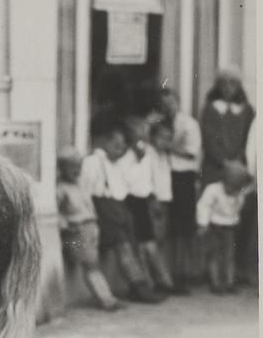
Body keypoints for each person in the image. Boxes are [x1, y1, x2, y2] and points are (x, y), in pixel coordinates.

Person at [78, 122, 165, 304]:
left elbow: (129, 184)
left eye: (122, 147)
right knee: (123, 247)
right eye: (116, 145)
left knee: (131, 246)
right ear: (106, 142)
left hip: (120, 208)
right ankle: (138, 287)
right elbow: (84, 191)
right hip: (104, 208)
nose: (120, 150)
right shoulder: (93, 162)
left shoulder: (116, 164)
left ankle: (140, 285)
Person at [56, 147, 123, 311]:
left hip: (90, 228)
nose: (76, 171)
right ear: (63, 168)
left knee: (94, 263)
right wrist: (66, 225)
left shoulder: (80, 186)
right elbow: (58, 213)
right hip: (76, 232)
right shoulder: (61, 189)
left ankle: (107, 297)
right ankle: (106, 300)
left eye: (78, 167)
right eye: (72, 167)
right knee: (91, 264)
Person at [119, 116, 176, 294]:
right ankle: (148, 284)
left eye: (144, 133)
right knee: (140, 243)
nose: (142, 137)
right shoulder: (126, 157)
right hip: (133, 200)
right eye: (138, 133)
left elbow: (148, 178)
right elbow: (127, 180)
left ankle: (162, 282)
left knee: (150, 242)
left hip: (146, 200)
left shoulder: (147, 154)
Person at [159, 89, 201, 289]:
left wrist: (169, 147)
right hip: (166, 176)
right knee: (172, 229)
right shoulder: (159, 123)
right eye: (164, 104)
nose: (168, 108)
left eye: (171, 103)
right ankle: (173, 274)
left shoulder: (189, 124)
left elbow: (192, 152)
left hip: (184, 176)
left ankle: (185, 273)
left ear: (177, 102)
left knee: (184, 228)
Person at [196, 160, 255, 294]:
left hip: (229, 227)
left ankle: (229, 282)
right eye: (230, 187)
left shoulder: (239, 193)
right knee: (214, 254)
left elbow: (239, 205)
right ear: (224, 181)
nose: (232, 191)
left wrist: (236, 220)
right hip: (214, 226)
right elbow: (203, 206)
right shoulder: (212, 190)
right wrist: (203, 224)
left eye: (236, 189)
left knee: (229, 255)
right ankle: (215, 283)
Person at [199, 67, 255, 186]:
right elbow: (209, 140)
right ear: (217, 86)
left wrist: (237, 162)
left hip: (239, 166)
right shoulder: (210, 109)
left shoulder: (247, 110)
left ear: (239, 86)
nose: (227, 87)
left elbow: (249, 139)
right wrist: (225, 162)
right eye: (223, 83)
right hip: (214, 166)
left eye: (232, 83)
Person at [148, 119, 183, 293]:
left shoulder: (164, 156)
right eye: (161, 137)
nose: (165, 142)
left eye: (169, 138)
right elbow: (147, 179)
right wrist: (153, 198)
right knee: (153, 240)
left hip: (164, 201)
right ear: (153, 137)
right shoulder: (149, 155)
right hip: (153, 201)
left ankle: (161, 280)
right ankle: (161, 281)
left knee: (160, 240)